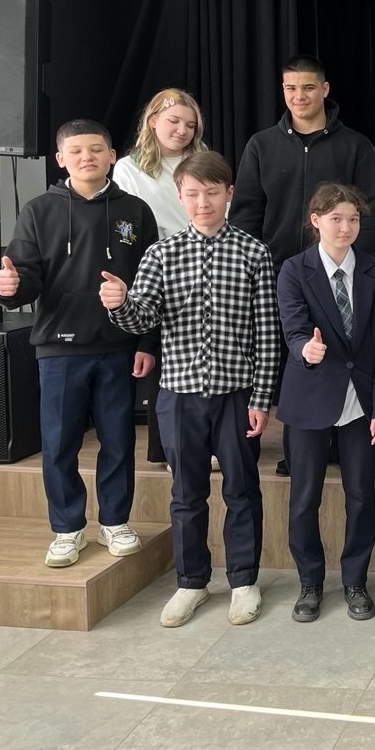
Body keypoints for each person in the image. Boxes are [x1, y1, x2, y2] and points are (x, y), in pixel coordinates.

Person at [102, 150, 281, 629]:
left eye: (212, 193)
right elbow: (142, 318)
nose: (204, 203)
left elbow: (267, 333)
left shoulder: (253, 252)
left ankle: (243, 581)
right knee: (186, 492)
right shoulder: (160, 254)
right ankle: (192, 582)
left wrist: (261, 398)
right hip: (178, 394)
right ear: (180, 197)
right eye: (193, 194)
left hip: (236, 394)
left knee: (242, 489)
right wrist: (120, 303)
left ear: (229, 194)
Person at [0, 119, 158, 568]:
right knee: (60, 442)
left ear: (112, 156)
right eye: (77, 150)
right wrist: (8, 288)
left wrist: (147, 341)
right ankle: (67, 529)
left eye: (97, 149)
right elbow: (23, 277)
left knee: (118, 440)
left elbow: (151, 284)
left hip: (119, 346)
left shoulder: (135, 211)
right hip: (59, 349)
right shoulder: (39, 210)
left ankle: (115, 521)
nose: (88, 157)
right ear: (61, 158)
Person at [230, 53, 375, 476]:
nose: (299, 96)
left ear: (325, 89)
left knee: (343, 355)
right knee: (294, 358)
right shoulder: (261, 145)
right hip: (283, 274)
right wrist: (252, 271)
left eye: (308, 87)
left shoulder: (355, 145)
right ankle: (299, 448)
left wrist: (366, 275)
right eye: (291, 88)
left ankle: (341, 443)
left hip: (343, 274)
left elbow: (370, 215)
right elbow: (246, 214)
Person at [276, 183, 375, 623]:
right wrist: (304, 350)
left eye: (352, 219)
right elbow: (293, 329)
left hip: (362, 403)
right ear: (316, 221)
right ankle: (310, 582)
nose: (345, 227)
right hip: (310, 397)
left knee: (361, 496)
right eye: (335, 219)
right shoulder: (294, 269)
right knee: (304, 497)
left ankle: (355, 582)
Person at [113, 88, 211, 466]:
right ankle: (168, 448)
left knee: (201, 358)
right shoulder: (128, 168)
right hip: (154, 267)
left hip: (203, 264)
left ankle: (205, 442)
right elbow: (126, 225)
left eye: (190, 124)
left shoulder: (203, 161)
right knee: (163, 363)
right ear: (152, 121)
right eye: (173, 121)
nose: (182, 130)